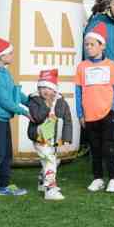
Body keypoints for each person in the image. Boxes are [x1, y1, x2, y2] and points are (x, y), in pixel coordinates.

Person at [76, 22, 114, 193]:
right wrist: (80, 113)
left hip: (107, 114)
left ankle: (113, 179)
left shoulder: (111, 66)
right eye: (86, 44)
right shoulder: (81, 67)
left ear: (102, 46)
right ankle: (97, 178)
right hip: (89, 116)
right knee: (95, 149)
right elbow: (78, 91)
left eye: (92, 44)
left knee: (109, 148)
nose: (88, 48)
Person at [0, 37, 31, 202]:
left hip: (1, 118)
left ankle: (4, 186)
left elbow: (13, 93)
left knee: (6, 154)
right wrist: (24, 112)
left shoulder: (4, 72)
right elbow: (4, 100)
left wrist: (32, 100)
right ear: (0, 56)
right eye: (10, 53)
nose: (12, 55)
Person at [27, 69, 72, 201]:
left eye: (48, 87)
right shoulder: (35, 100)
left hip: (53, 138)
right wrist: (46, 106)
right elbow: (37, 117)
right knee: (50, 160)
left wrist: (66, 139)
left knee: (53, 160)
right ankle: (50, 189)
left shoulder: (61, 102)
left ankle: (42, 181)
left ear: (54, 89)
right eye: (42, 87)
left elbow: (67, 120)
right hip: (39, 137)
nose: (45, 91)